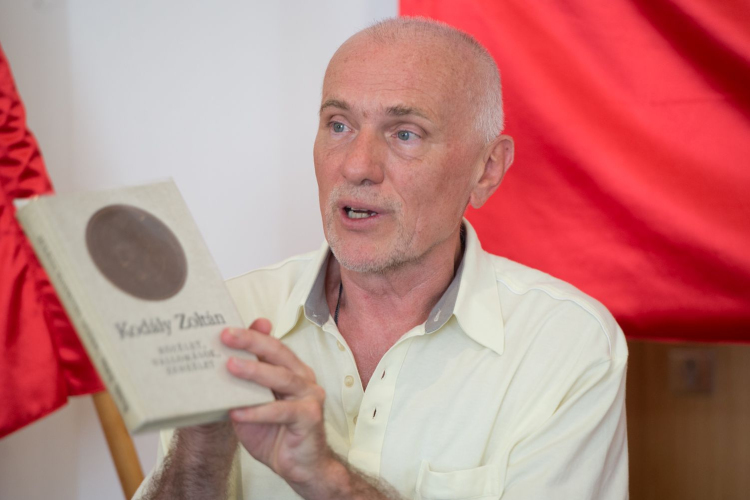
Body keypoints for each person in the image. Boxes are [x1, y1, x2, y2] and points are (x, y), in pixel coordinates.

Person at [135, 17, 628, 500]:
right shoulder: (231, 316)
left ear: (487, 169)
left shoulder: (566, 344)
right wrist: (199, 453)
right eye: (339, 125)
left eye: (405, 133)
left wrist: (326, 479)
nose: (356, 166)